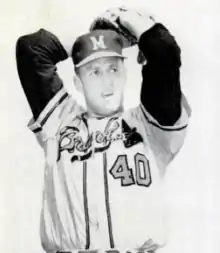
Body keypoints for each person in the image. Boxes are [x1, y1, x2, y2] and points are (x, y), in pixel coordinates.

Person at [16, 7, 191, 253]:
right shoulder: (60, 120)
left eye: (113, 69)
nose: (107, 82)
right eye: (95, 71)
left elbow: (165, 53)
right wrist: (96, 34)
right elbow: (32, 49)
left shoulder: (149, 125)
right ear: (79, 82)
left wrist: (132, 26)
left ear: (125, 74)